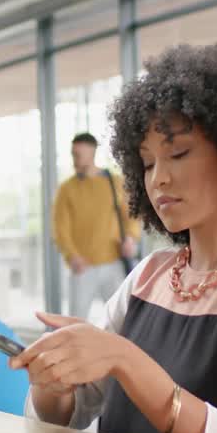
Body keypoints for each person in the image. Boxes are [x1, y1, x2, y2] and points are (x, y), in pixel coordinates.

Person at [12, 41, 217, 433]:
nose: (157, 179)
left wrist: (125, 358)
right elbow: (69, 414)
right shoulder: (149, 275)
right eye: (146, 163)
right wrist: (54, 382)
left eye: (178, 153)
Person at [52, 132, 142, 321]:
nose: (74, 159)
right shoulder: (67, 189)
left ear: (91, 153)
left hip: (114, 263)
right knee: (75, 322)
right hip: (83, 266)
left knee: (121, 321)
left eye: (78, 154)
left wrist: (131, 238)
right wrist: (71, 255)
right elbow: (60, 228)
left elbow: (131, 216)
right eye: (73, 154)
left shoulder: (115, 182)